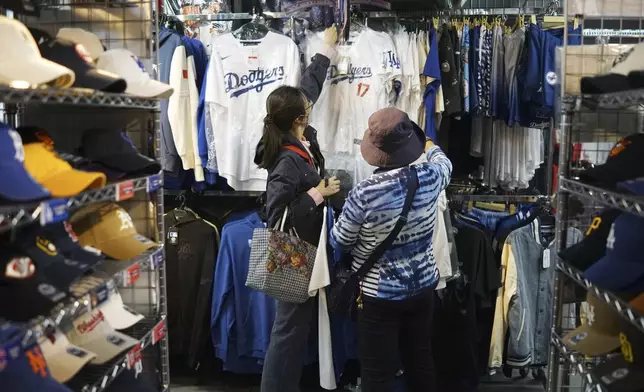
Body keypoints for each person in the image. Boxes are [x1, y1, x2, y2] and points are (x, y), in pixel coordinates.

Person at [330, 107, 453, 392]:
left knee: (377, 374)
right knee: (421, 362)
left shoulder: (365, 192)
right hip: (423, 288)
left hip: (379, 295)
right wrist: (431, 146)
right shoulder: (432, 176)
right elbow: (445, 162)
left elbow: (341, 240)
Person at [253, 26, 341, 392]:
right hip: (291, 252)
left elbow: (308, 89)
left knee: (296, 328)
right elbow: (276, 217)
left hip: (303, 250)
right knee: (287, 332)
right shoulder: (287, 161)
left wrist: (325, 51)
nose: (310, 107)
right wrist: (318, 193)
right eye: (306, 110)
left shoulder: (298, 138)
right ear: (296, 120)